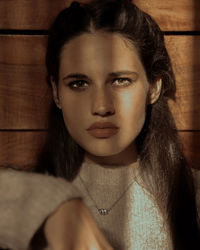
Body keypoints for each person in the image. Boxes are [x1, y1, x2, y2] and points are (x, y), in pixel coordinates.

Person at [0, 0, 200, 249]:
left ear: (154, 87)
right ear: (56, 92)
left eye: (120, 80)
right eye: (79, 84)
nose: (101, 106)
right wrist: (49, 202)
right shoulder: (21, 198)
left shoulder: (193, 197)